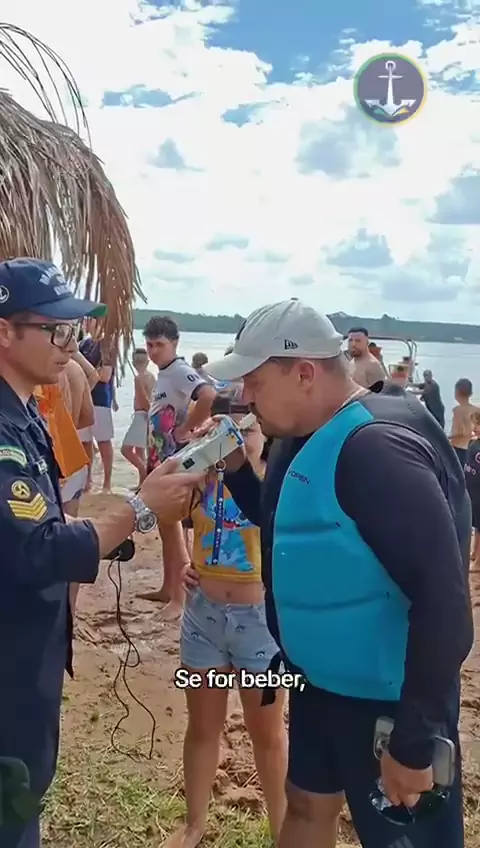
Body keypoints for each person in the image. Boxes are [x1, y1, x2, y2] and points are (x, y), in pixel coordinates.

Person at [206, 298, 473, 848]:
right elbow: (295, 528)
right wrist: (235, 471)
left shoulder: (378, 449)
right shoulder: (299, 434)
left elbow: (445, 602)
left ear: (304, 373)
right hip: (319, 681)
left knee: (402, 837)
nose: (245, 397)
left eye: (254, 382)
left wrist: (414, 740)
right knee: (305, 805)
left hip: (391, 698)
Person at [0, 257, 204, 848]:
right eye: (56, 330)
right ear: (5, 331)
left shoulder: (25, 412)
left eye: (73, 329)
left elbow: (41, 521)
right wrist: (139, 508)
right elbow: (36, 550)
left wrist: (108, 529)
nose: (71, 344)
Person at [163, 398, 287, 848]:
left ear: (265, 434)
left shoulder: (273, 481)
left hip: (260, 624)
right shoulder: (203, 479)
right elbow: (164, 510)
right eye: (227, 432)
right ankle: (194, 823)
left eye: (245, 431)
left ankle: (283, 831)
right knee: (202, 727)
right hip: (204, 618)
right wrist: (182, 564)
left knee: (267, 734)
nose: (234, 441)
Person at [139, 316, 216, 617]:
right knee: (166, 526)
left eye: (159, 345)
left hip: (174, 459)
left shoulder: (179, 370)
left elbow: (208, 394)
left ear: (175, 343)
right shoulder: (166, 372)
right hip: (160, 459)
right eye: (149, 345)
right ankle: (168, 587)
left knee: (174, 527)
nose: (153, 351)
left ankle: (179, 600)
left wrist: (186, 429)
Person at [79, 321, 115, 492]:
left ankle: (107, 482)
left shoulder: (106, 345)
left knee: (103, 441)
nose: (86, 322)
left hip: (100, 399)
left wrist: (89, 375)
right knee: (85, 441)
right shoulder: (84, 344)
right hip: (84, 397)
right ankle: (87, 480)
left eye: (90, 319)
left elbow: (105, 375)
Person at [121, 348, 156, 488]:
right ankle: (143, 483)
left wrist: (148, 412)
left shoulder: (139, 378)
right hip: (147, 415)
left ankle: (144, 473)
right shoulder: (151, 376)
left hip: (142, 415)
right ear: (148, 361)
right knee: (140, 450)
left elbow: (144, 398)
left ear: (134, 362)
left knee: (126, 449)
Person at [464, 410, 480, 571]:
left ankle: (478, 562)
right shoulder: (473, 444)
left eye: (478, 424)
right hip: (472, 492)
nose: (474, 427)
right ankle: (474, 553)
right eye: (474, 423)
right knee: (475, 526)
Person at [347, 327, 385, 392]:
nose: (353, 344)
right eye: (350, 340)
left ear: (367, 342)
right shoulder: (352, 362)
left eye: (358, 341)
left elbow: (378, 394)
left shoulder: (372, 365)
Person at [449, 378, 476, 467]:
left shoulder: (457, 411)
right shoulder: (476, 410)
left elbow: (458, 433)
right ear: (471, 393)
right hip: (473, 448)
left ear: (456, 393)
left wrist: (446, 438)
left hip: (459, 450)